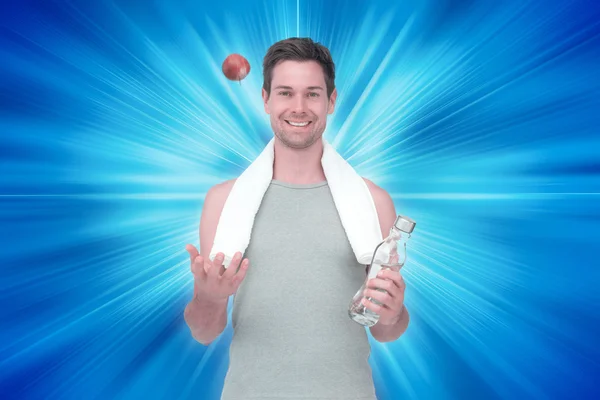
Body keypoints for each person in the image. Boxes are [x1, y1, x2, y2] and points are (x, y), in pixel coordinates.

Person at [184, 37, 410, 400]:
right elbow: (204, 332)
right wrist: (209, 299)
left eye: (313, 94)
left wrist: (393, 312)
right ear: (266, 99)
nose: (299, 107)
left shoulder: (374, 201)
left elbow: (387, 331)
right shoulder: (223, 202)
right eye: (286, 93)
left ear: (331, 101)